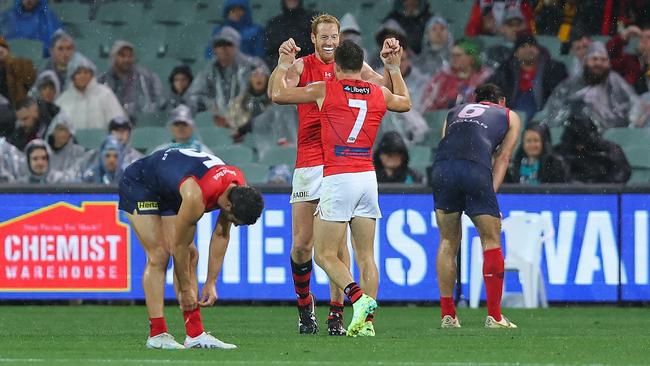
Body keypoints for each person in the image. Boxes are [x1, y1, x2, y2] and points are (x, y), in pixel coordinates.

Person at [272, 39, 411, 337]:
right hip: (367, 178)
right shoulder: (378, 91)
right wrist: (393, 68)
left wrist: (284, 63)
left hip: (338, 176)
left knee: (323, 255)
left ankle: (358, 300)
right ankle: (367, 325)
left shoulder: (326, 88)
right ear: (361, 67)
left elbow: (278, 94)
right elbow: (405, 102)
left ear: (335, 67)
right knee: (366, 257)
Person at [118, 148, 264, 349]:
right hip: (141, 183)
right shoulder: (196, 196)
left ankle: (195, 334)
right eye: (234, 221)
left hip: (169, 186)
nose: (235, 225)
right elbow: (179, 246)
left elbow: (221, 234)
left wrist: (211, 282)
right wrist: (187, 290)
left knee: (191, 255)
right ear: (228, 206)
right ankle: (157, 334)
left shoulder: (238, 188)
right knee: (160, 254)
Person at [431, 83, 521, 329]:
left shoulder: (454, 111)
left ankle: (448, 316)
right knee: (491, 240)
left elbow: (446, 144)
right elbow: (503, 157)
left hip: (442, 170)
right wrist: (490, 193)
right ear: (501, 101)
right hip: (475, 170)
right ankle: (495, 316)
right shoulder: (508, 114)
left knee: (448, 241)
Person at [532, 41, 638, 130]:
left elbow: (634, 104)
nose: (598, 63)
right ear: (586, 62)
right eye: (594, 59)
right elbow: (554, 109)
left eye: (603, 60)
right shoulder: (570, 84)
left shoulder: (616, 81)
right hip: (575, 133)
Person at [488, 33, 567, 121]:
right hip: (510, 112)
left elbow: (560, 93)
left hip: (541, 114)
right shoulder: (506, 69)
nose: (528, 49)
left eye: (531, 45)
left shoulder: (553, 68)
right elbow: (491, 88)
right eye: (523, 47)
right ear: (516, 53)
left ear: (538, 50)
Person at [188, 26, 259, 122]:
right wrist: (209, 104)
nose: (223, 48)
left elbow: (265, 95)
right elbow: (194, 95)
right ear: (214, 49)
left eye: (228, 44)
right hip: (219, 123)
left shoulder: (253, 66)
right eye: (219, 45)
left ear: (236, 46)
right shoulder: (209, 70)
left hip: (250, 121)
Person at [419, 38, 492, 112]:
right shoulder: (443, 77)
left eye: (458, 55)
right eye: (452, 55)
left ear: (471, 57)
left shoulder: (483, 77)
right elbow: (427, 102)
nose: (454, 58)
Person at [554, 114, 631, 184]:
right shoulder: (561, 153)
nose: (580, 147)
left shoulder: (607, 150)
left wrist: (600, 185)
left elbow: (622, 173)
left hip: (604, 194)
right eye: (576, 144)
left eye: (582, 143)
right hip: (573, 195)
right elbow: (558, 179)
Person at [98, 40, 164, 121]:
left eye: (130, 56)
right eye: (122, 56)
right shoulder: (102, 80)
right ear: (113, 57)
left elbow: (158, 103)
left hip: (141, 124)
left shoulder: (147, 78)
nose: (126, 59)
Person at [55, 57, 126, 130]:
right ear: (73, 76)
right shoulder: (63, 100)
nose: (83, 76)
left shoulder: (105, 94)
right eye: (78, 73)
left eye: (86, 72)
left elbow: (118, 122)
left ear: (92, 75)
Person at [264, 0, 316, 68]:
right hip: (281, 67)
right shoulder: (274, 24)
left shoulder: (313, 20)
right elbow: (270, 53)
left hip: (310, 66)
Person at [228, 64, 272, 142]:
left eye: (262, 74)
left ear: (267, 78)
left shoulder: (275, 101)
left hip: (269, 140)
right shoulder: (238, 102)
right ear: (249, 78)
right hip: (244, 142)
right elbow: (232, 125)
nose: (259, 78)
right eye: (255, 74)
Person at [607, 25, 650, 95]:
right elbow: (606, 55)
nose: (643, 40)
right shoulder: (629, 61)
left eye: (649, 37)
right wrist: (623, 36)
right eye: (641, 37)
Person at [0, 37, 36, 108]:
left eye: (2, 46)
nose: (0, 49)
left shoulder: (22, 64)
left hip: (24, 107)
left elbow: (31, 83)